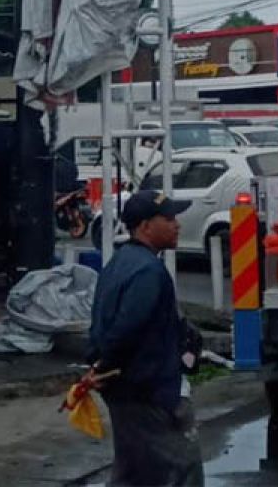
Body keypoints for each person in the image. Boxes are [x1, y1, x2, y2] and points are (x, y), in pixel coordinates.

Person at [87, 190, 204, 486]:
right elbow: (127, 327)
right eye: (168, 218)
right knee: (181, 470)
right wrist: (103, 367)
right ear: (145, 226)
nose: (177, 224)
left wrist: (100, 366)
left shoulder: (120, 263)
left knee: (134, 472)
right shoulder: (148, 272)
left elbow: (102, 325)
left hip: (126, 390)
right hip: (148, 392)